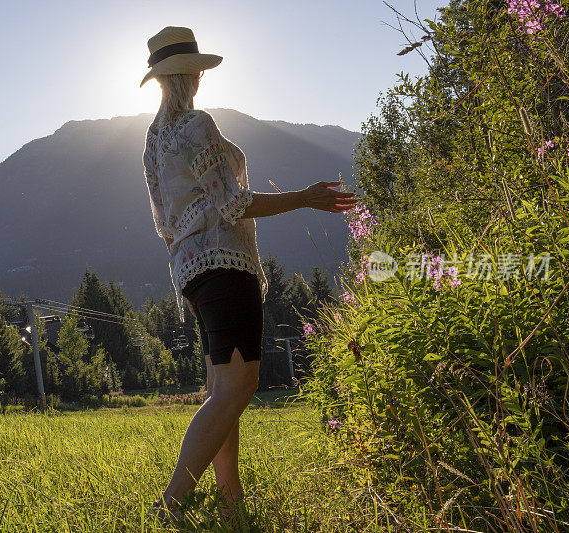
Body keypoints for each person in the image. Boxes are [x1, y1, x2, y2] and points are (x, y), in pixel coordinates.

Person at [140, 26, 359, 520]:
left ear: (159, 78)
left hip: (191, 274)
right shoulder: (196, 126)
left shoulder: (154, 141)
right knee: (236, 390)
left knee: (224, 392)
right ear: (193, 74)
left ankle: (230, 500)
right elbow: (234, 203)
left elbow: (164, 222)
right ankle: (170, 504)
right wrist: (305, 197)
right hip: (225, 267)